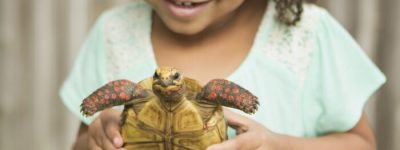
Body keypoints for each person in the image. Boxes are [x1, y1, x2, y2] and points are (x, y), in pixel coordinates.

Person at [60, 0, 386, 149]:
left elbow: (361, 144)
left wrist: (276, 145)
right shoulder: (112, 33)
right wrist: (95, 138)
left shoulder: (306, 36)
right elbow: (83, 142)